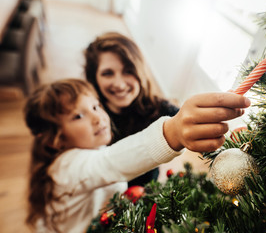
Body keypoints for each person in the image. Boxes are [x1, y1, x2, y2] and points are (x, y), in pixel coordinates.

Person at [24, 78, 251, 233]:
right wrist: (172, 132)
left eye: (95, 107)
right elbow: (110, 162)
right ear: (56, 138)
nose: (97, 118)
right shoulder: (65, 167)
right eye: (78, 116)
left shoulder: (90, 151)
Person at [84, 32, 179, 187]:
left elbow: (187, 118)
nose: (120, 84)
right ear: (94, 78)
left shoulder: (158, 108)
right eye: (108, 73)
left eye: (128, 71)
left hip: (144, 196)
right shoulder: (87, 115)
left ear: (140, 71)